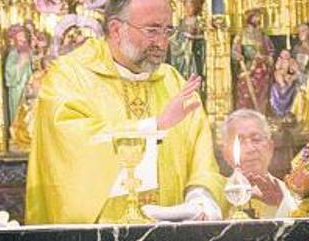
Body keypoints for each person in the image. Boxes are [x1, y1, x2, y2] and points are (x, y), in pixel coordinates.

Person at [26, 0, 226, 225]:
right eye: (151, 30)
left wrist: (200, 201)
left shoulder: (174, 84)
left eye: (167, 30)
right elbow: (70, 151)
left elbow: (202, 161)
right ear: (115, 29)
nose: (161, 42)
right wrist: (154, 127)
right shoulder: (68, 77)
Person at [220, 109, 297, 218]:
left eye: (256, 139)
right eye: (240, 141)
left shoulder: (289, 193)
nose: (250, 149)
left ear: (270, 148)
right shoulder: (214, 195)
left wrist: (279, 203)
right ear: (225, 154)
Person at [4, 25, 33, 127]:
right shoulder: (13, 53)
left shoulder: (27, 52)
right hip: (17, 87)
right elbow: (9, 72)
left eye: (24, 38)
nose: (23, 40)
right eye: (20, 39)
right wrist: (20, 64)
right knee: (19, 110)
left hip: (28, 86)